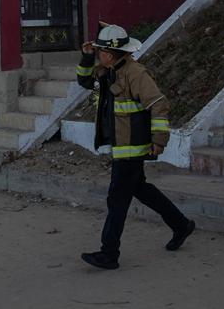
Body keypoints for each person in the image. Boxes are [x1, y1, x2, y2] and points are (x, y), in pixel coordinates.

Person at [76, 23, 195, 270]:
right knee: (141, 189)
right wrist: (86, 57)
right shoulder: (107, 72)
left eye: (99, 51)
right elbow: (85, 81)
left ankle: (109, 254)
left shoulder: (135, 73)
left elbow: (159, 104)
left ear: (109, 53)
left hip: (132, 149)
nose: (98, 54)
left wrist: (159, 141)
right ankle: (181, 224)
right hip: (122, 148)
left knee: (116, 199)